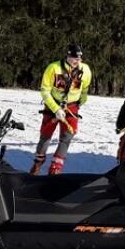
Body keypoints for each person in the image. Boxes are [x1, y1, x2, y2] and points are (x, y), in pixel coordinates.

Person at [31, 44, 93, 175]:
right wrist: (55, 109)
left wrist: (82, 99)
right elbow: (44, 91)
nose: (77, 61)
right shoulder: (53, 68)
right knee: (46, 135)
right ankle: (38, 163)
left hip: (72, 106)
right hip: (52, 105)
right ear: (68, 56)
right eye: (74, 58)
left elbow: (85, 87)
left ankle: (56, 167)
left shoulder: (85, 70)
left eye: (79, 58)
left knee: (67, 136)